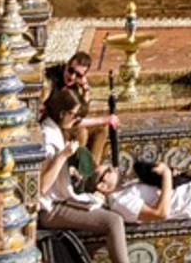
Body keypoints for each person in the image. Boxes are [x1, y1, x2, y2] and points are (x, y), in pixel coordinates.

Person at [37, 89, 131, 263]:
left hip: (60, 200)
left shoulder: (54, 128)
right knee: (114, 221)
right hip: (51, 209)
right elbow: (42, 187)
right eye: (74, 115)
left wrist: (69, 172)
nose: (76, 120)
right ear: (62, 113)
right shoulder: (49, 139)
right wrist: (63, 156)